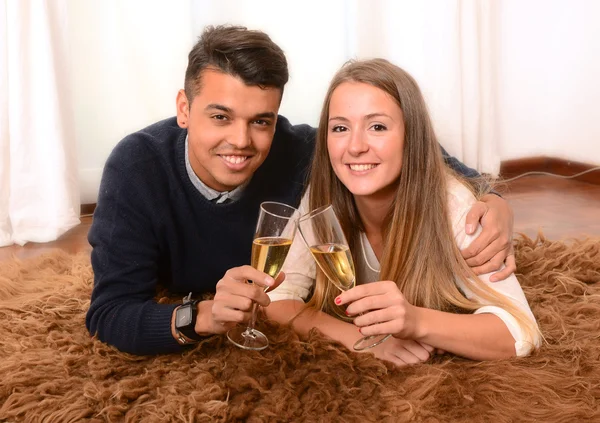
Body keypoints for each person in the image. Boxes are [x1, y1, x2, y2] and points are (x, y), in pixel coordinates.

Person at [86, 25, 517, 355]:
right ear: (184, 108)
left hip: (277, 292)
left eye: (261, 120)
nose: (240, 140)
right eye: (220, 117)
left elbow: (405, 146)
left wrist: (492, 196)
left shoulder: (302, 148)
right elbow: (109, 313)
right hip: (210, 300)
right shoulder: (135, 169)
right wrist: (199, 315)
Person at [266, 58, 541, 366]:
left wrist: (415, 322)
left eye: (377, 126)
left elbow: (519, 332)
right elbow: (276, 298)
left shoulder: (454, 204)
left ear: (412, 137)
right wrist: (362, 342)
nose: (355, 146)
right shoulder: (320, 198)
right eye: (340, 128)